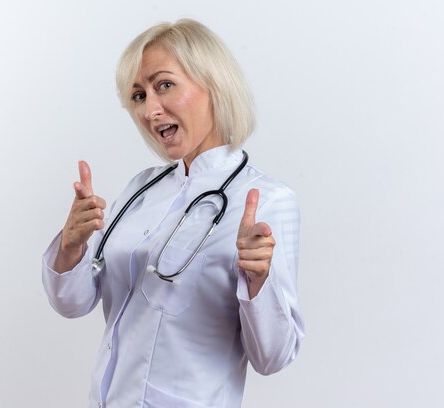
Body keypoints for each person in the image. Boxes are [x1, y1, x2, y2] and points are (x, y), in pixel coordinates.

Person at [42, 19, 304, 408]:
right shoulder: (141, 189)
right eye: (137, 95)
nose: (150, 110)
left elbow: (273, 357)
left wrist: (258, 280)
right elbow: (73, 302)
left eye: (164, 85)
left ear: (213, 83)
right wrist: (71, 246)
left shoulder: (267, 200)